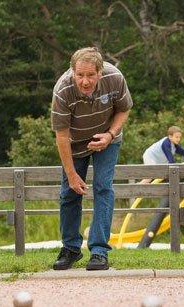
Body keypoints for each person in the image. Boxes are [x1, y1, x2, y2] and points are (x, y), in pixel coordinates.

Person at [51, 47, 132, 271]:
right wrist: (71, 174)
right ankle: (71, 248)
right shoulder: (63, 90)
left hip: (107, 137)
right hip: (74, 142)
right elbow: (62, 135)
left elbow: (124, 109)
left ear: (100, 72)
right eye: (80, 75)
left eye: (90, 75)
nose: (85, 81)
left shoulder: (115, 78)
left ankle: (99, 251)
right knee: (69, 192)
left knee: (103, 187)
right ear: (72, 72)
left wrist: (110, 135)